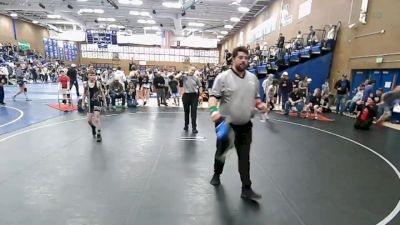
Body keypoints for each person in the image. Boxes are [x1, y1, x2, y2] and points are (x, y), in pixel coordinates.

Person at [209, 46, 266, 200]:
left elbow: (256, 98)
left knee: (244, 157)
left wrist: (260, 106)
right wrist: (214, 111)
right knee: (221, 153)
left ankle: (246, 188)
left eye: (246, 58)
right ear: (233, 59)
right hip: (226, 125)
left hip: (246, 125)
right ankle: (217, 173)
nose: (244, 60)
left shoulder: (253, 78)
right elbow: (213, 97)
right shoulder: (222, 77)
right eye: (241, 57)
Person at [175, 67, 202, 133]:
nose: (193, 71)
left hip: (194, 96)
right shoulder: (184, 76)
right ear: (188, 70)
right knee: (186, 112)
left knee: (193, 112)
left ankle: (194, 128)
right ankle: (186, 125)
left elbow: (200, 86)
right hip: (186, 95)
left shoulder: (196, 78)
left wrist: (200, 95)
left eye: (194, 70)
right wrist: (182, 73)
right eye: (192, 70)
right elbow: (176, 77)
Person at [82, 71, 107, 142]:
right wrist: (83, 103)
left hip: (97, 102)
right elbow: (84, 94)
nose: (93, 76)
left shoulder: (98, 83)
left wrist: (105, 102)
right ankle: (93, 127)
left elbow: (102, 93)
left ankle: (99, 134)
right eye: (91, 75)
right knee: (89, 121)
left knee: (96, 118)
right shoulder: (86, 84)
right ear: (88, 76)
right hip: (90, 103)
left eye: (94, 75)